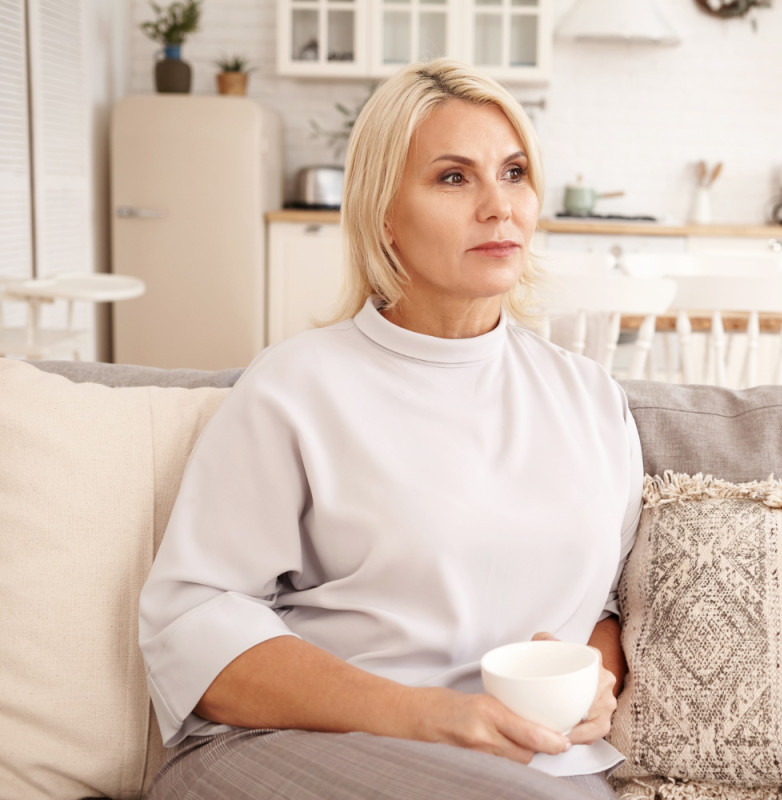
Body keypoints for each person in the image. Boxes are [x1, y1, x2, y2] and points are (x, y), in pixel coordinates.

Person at [138, 58, 643, 800]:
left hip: (545, 767)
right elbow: (194, 623)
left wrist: (595, 679)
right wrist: (430, 717)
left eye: (514, 173)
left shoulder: (590, 398)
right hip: (316, 748)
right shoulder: (297, 387)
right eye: (453, 177)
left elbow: (607, 604)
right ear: (382, 213)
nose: (498, 207)